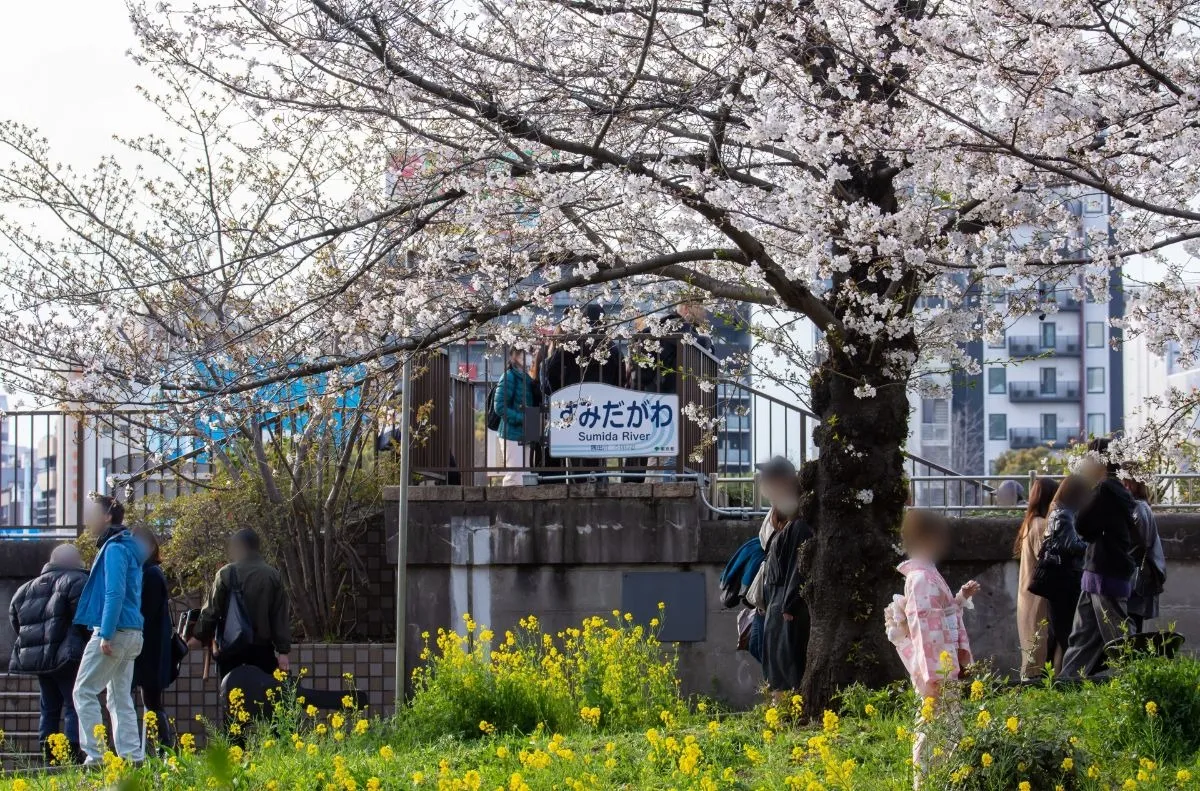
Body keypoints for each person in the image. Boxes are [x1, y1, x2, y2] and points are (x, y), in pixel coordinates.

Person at [885, 510, 980, 788]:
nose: (943, 542)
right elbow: (926, 628)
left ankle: (946, 777)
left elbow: (943, 615)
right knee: (934, 722)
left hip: (941, 661)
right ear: (926, 538)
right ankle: (927, 780)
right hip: (936, 667)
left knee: (947, 721)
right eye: (939, 536)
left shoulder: (926, 574)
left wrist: (960, 598)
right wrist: (936, 673)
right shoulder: (921, 578)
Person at [72, 495, 146, 765]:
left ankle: (97, 756)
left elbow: (114, 593)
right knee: (119, 696)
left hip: (115, 631)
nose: (87, 519)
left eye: (93, 513)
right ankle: (132, 757)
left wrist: (105, 632)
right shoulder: (128, 547)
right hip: (132, 631)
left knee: (83, 690)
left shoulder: (114, 548)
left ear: (107, 517)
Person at [1059, 437, 1138, 679]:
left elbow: (1082, 523)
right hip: (1100, 571)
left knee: (1118, 634)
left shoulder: (1104, 490)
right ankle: (1066, 683)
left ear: (1100, 461)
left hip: (1104, 572)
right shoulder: (1117, 490)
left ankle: (1138, 680)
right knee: (1083, 636)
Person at [7, 544, 89, 764]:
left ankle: (49, 755)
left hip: (39, 659)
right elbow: (84, 619)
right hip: (69, 656)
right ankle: (72, 754)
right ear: (72, 561)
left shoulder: (24, 589)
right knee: (74, 703)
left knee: (49, 707)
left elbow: (16, 622)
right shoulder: (77, 581)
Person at [627, 301, 713, 481]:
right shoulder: (677, 326)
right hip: (668, 397)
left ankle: (651, 483)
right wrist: (707, 341)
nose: (704, 313)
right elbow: (700, 343)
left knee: (660, 449)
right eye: (700, 308)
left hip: (654, 395)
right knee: (664, 450)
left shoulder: (660, 327)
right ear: (687, 308)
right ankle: (657, 487)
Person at [190, 529, 291, 680]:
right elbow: (279, 616)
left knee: (232, 691)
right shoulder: (272, 575)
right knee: (261, 692)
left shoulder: (226, 573)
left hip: (230, 649)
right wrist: (283, 651)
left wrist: (198, 635)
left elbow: (212, 611)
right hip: (262, 650)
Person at [545, 305, 624, 475]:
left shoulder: (571, 346)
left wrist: (561, 393)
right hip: (603, 409)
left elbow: (550, 371)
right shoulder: (612, 348)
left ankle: (578, 481)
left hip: (573, 405)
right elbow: (621, 379)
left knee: (576, 453)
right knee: (598, 450)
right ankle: (599, 480)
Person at [756, 456, 812, 694]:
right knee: (777, 671)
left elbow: (799, 568)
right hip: (776, 606)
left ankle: (787, 711)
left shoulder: (798, 525)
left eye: (770, 481)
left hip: (786, 610)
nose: (766, 487)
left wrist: (790, 604)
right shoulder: (783, 522)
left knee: (786, 671)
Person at [1035, 475, 1091, 668]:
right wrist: (1093, 544)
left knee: (1062, 632)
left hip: (1060, 580)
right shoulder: (1063, 514)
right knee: (1066, 631)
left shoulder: (1058, 512)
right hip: (1064, 581)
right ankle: (1067, 676)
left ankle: (1061, 675)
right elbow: (1071, 545)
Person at [131, 527, 175, 751]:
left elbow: (146, 613)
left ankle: (164, 748)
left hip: (150, 648)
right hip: (149, 647)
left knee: (151, 700)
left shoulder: (151, 574)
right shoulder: (147, 572)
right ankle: (160, 748)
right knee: (149, 699)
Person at [1015, 477, 1058, 678]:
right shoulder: (1041, 525)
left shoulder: (1030, 523)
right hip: (1039, 599)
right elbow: (1050, 560)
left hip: (1028, 597)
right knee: (1041, 655)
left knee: (1032, 651)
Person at [1125, 478, 1166, 633]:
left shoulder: (1138, 507)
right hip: (1135, 576)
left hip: (1134, 578)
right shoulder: (1139, 506)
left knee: (1131, 626)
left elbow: (1138, 544)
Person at [494, 347, 538, 486]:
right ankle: (508, 499)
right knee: (514, 476)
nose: (528, 356)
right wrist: (522, 418)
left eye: (529, 353)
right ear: (515, 356)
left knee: (525, 476)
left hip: (525, 432)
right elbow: (499, 406)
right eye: (524, 353)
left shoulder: (526, 378)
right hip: (511, 433)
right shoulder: (509, 376)